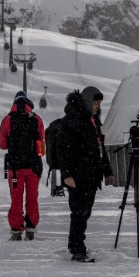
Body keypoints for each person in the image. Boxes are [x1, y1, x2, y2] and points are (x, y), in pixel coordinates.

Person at [57, 87, 115, 263]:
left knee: (85, 212)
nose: (98, 106)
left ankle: (76, 245)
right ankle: (77, 250)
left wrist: (107, 171)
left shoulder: (93, 121)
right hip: (77, 175)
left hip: (91, 175)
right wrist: (67, 174)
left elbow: (99, 149)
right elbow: (63, 150)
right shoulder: (72, 120)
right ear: (87, 101)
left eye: (99, 103)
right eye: (95, 103)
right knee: (79, 212)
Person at [0, 91, 45, 241]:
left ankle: (17, 231)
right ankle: (30, 228)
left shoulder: (8, 119)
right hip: (33, 167)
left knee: (16, 199)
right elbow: (42, 147)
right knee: (32, 198)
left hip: (15, 168)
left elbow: (2, 144)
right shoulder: (37, 119)